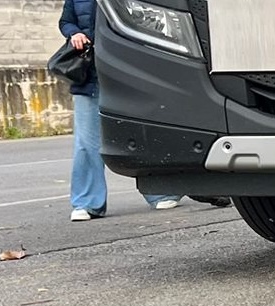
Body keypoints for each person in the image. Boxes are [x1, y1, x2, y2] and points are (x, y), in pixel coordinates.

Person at [59, 0, 185, 221]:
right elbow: (66, 21)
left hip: (126, 75)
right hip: (90, 76)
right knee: (87, 144)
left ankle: (160, 193)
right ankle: (87, 204)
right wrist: (74, 34)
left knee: (140, 135)